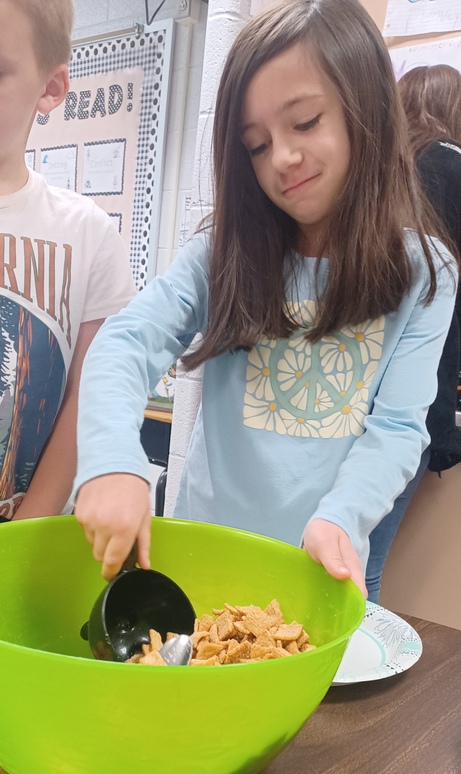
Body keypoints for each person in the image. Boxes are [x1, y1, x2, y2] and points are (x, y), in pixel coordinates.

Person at [74, 0, 458, 596]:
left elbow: (399, 429)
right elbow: (125, 342)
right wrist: (111, 458)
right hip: (202, 562)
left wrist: (343, 515)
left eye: (304, 123)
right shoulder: (220, 256)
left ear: (371, 112)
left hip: (315, 574)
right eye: (256, 145)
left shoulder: (425, 272)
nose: (282, 157)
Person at [0, 0, 136, 523]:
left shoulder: (88, 233)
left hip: (29, 540)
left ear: (50, 89)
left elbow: (88, 392)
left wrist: (27, 528)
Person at [366, 63, 461, 603]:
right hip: (416, 388)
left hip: (349, 384)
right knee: (363, 565)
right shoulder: (455, 168)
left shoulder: (376, 171)